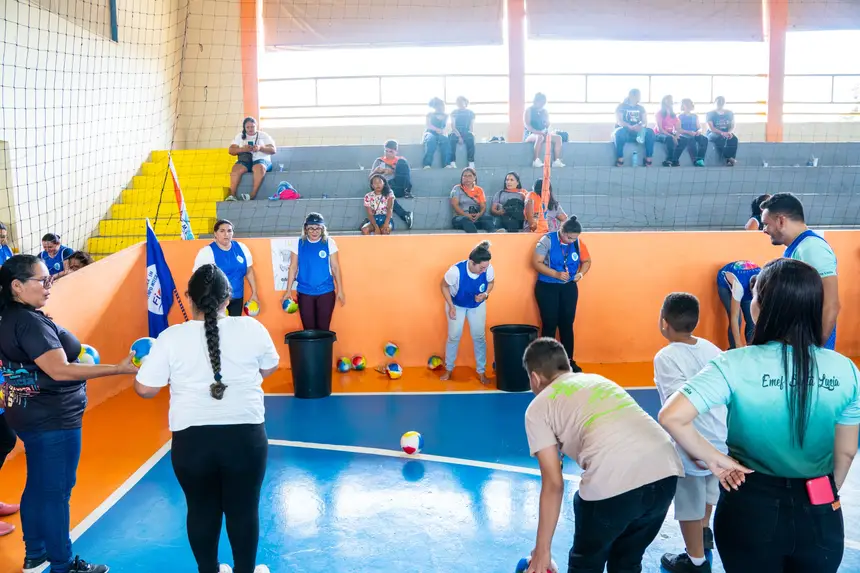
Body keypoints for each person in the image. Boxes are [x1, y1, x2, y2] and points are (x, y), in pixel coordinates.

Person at [659, 258, 860, 573]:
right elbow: (846, 452)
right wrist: (822, 494)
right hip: (819, 506)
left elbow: (672, 416)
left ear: (761, 307)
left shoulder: (733, 363)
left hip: (749, 502)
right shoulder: (845, 369)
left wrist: (717, 460)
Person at [134, 264, 279, 573]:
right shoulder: (252, 328)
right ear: (228, 298)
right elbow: (269, 368)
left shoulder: (170, 337)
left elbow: (145, 389)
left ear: (189, 298)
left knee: (201, 509)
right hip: (245, 438)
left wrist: (142, 367)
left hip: (192, 443)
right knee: (243, 509)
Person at [0, 255, 137, 573]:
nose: (49, 285)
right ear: (17, 286)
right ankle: (62, 565)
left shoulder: (8, 317)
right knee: (57, 491)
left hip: (27, 413)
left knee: (39, 484)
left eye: (50, 278)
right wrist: (118, 368)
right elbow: (59, 370)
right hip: (52, 419)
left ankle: (35, 554)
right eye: (42, 280)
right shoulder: (29, 323)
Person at [523, 338, 684, 573]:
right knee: (627, 562)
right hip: (666, 473)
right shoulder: (598, 380)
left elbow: (553, 485)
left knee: (586, 563)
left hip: (615, 484)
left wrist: (542, 551)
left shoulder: (538, 407)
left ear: (535, 378)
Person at [654, 293, 726, 573]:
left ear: (664, 322)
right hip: (720, 440)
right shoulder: (712, 349)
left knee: (687, 505)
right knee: (708, 492)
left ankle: (695, 562)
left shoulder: (666, 357)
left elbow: (677, 406)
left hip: (692, 443)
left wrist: (692, 447)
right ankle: (704, 532)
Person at [760, 192, 839, 350]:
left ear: (781, 221)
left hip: (808, 348)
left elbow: (831, 304)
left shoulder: (811, 248)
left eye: (766, 224)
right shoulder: (798, 247)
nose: (764, 230)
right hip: (796, 343)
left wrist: (815, 349)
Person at [532, 217, 591, 373]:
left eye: (575, 238)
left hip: (568, 288)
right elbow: (536, 262)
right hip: (547, 287)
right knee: (550, 324)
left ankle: (568, 361)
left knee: (567, 324)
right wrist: (555, 274)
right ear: (562, 232)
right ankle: (546, 362)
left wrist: (580, 274)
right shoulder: (547, 240)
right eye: (569, 237)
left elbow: (587, 261)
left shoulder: (577, 242)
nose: (572, 241)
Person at [440, 241, 494, 384]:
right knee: (454, 336)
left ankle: (481, 371)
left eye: (486, 267)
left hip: (477, 306)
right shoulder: (455, 271)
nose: (484, 270)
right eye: (481, 268)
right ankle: (449, 369)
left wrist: (485, 294)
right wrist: (451, 306)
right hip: (456, 305)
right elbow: (443, 286)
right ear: (472, 263)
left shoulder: (487, 268)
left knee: (479, 337)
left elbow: (491, 283)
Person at [282, 213, 346, 331]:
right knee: (309, 330)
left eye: (318, 228)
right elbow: (293, 267)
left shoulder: (329, 243)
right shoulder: (298, 243)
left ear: (322, 229)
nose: (314, 231)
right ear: (306, 228)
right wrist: (288, 290)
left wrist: (340, 290)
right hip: (305, 292)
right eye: (311, 228)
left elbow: (335, 267)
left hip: (325, 292)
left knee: (323, 329)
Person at [193, 220, 258, 318]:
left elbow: (249, 271)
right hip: (217, 301)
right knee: (218, 327)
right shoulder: (207, 252)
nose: (226, 234)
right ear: (215, 233)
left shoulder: (241, 248)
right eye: (222, 231)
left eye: (229, 231)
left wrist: (254, 293)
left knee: (234, 326)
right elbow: (198, 278)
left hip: (237, 298)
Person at [228, 117, 276, 201]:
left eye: (252, 127)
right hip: (246, 160)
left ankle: (252, 195)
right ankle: (232, 195)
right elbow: (231, 150)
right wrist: (243, 149)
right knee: (236, 168)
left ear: (256, 126)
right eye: (248, 127)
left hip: (261, 160)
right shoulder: (240, 136)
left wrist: (260, 148)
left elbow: (273, 150)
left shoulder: (263, 135)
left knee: (258, 167)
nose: (250, 129)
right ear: (244, 128)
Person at [369, 140, 414, 229]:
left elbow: (405, 174)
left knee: (402, 162)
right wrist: (375, 172)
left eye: (391, 151)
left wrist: (393, 171)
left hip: (397, 186)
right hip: (383, 187)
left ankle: (407, 191)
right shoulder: (379, 161)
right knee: (385, 192)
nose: (388, 153)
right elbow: (370, 179)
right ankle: (405, 215)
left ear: (396, 151)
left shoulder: (400, 161)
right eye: (386, 151)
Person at [716, 261, 761, 349]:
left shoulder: (767, 279)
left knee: (752, 319)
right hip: (726, 284)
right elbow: (735, 316)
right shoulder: (739, 287)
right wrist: (738, 344)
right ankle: (733, 348)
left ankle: (752, 347)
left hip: (746, 283)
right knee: (738, 319)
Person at [614, 88, 655, 167]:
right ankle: (620, 158)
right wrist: (629, 126)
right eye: (638, 95)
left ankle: (648, 158)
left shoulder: (641, 108)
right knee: (619, 132)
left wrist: (640, 126)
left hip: (638, 132)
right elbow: (619, 121)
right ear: (631, 95)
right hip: (625, 131)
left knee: (650, 132)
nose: (639, 97)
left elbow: (644, 122)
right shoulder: (621, 107)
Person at [523, 93, 565, 168]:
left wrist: (548, 126)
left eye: (544, 103)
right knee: (540, 137)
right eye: (541, 102)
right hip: (531, 134)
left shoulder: (544, 111)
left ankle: (556, 160)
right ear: (536, 101)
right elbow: (528, 126)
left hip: (542, 133)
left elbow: (547, 125)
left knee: (558, 138)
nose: (542, 105)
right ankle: (535, 160)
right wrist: (537, 132)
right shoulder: (528, 110)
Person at [449, 168, 494, 233]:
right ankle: (475, 237)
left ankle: (494, 234)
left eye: (470, 176)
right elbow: (455, 205)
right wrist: (466, 215)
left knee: (487, 218)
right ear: (462, 178)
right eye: (465, 176)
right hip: (460, 218)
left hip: (475, 218)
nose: (467, 178)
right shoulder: (457, 188)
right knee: (465, 220)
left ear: (474, 177)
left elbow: (483, 206)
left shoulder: (479, 190)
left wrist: (479, 215)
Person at [706, 97, 738, 166]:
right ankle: (728, 157)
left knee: (734, 139)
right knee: (720, 138)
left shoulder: (729, 113)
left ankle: (731, 158)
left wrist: (729, 132)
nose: (720, 104)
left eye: (722, 102)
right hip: (713, 133)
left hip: (726, 132)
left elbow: (732, 125)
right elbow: (711, 128)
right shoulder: (710, 113)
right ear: (715, 103)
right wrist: (722, 133)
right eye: (718, 102)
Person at [676, 98, 709, 167]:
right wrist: (688, 132)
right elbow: (678, 129)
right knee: (691, 140)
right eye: (685, 105)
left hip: (695, 133)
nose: (687, 106)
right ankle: (695, 160)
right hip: (685, 134)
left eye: (689, 104)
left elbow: (699, 127)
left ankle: (700, 159)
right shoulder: (679, 117)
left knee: (704, 139)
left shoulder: (695, 116)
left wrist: (699, 131)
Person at [422, 97, 452, 169]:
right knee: (431, 139)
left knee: (446, 140)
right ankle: (427, 164)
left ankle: (446, 164)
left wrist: (442, 131)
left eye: (443, 105)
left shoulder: (445, 115)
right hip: (430, 132)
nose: (442, 107)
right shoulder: (430, 114)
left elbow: (445, 127)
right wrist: (436, 129)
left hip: (440, 134)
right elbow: (428, 125)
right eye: (440, 105)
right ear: (436, 106)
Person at [448, 96, 476, 169]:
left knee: (471, 138)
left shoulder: (471, 113)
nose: (460, 104)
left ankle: (471, 162)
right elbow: (453, 126)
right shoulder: (454, 112)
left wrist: (471, 133)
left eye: (461, 102)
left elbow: (471, 126)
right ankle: (452, 162)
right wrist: (459, 136)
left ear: (465, 102)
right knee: (451, 138)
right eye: (458, 102)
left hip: (466, 131)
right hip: (456, 131)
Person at [654, 95, 682, 166]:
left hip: (670, 133)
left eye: (671, 99)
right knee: (669, 138)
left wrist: (676, 135)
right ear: (664, 101)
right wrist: (672, 136)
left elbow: (678, 128)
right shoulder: (659, 113)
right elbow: (660, 129)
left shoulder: (673, 115)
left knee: (684, 140)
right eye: (668, 99)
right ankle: (669, 160)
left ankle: (675, 160)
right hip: (659, 134)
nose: (670, 101)